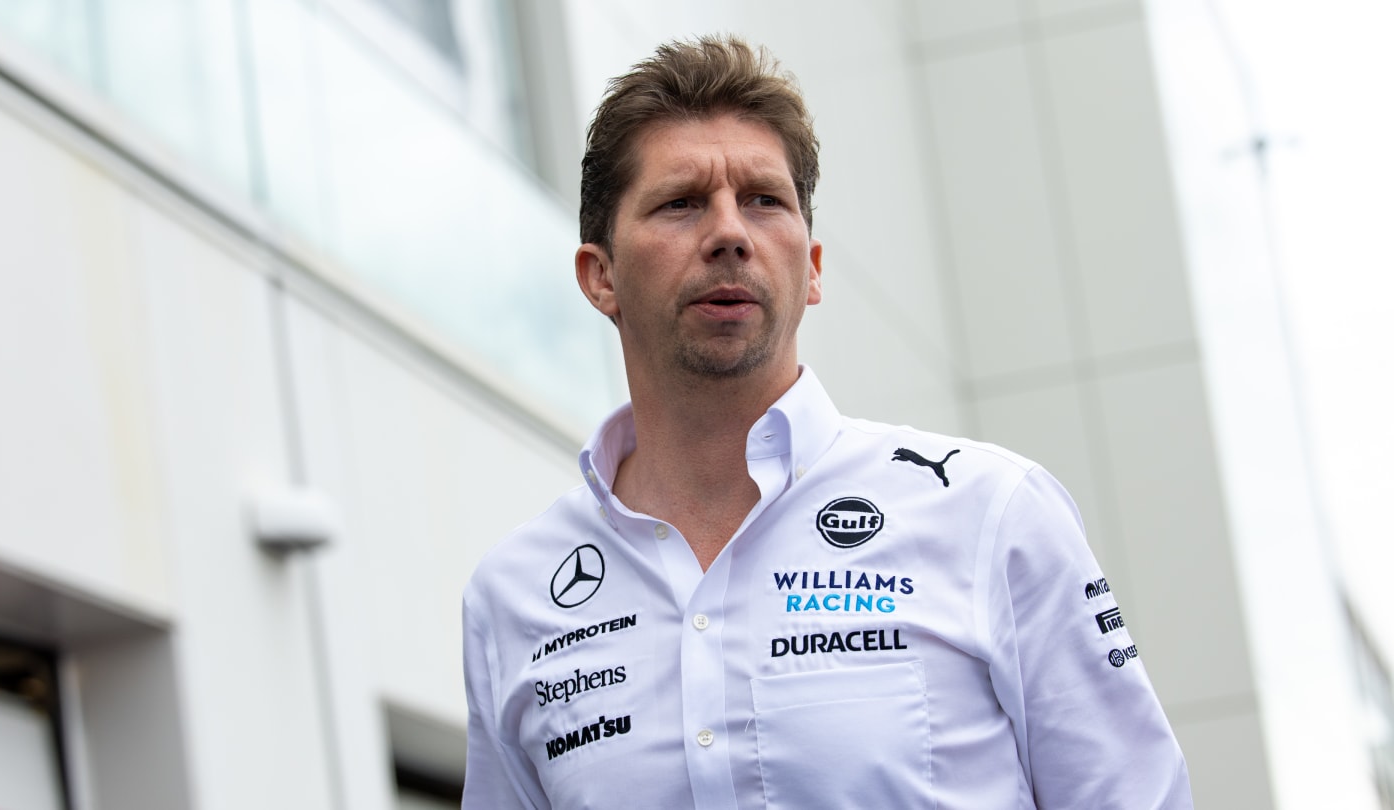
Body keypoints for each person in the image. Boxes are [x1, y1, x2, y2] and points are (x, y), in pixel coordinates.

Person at [461, 35, 1193, 809]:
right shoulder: (512, 598)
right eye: (680, 202)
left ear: (811, 268)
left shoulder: (992, 513)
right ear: (600, 276)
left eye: (763, 200)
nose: (729, 233)